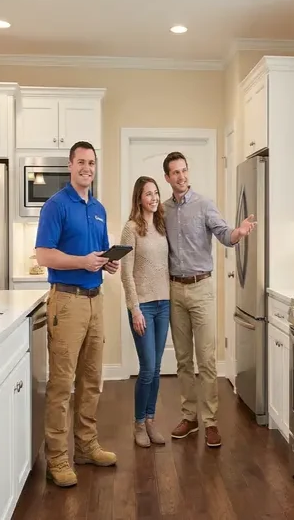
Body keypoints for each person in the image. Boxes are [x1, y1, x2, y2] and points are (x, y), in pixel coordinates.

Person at [34, 140, 119, 488]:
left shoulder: (98, 208)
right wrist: (82, 262)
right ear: (70, 165)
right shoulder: (55, 205)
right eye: (81, 162)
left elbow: (97, 252)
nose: (87, 168)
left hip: (96, 299)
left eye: (91, 163)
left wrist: (106, 262)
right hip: (67, 302)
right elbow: (43, 255)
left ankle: (85, 446)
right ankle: (56, 458)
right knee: (61, 383)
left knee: (91, 379)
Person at [162, 151, 256, 448]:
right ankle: (189, 417)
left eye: (184, 170)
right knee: (183, 359)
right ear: (167, 178)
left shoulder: (204, 205)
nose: (181, 176)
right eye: (175, 172)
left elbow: (224, 235)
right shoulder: (163, 210)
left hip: (201, 288)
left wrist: (239, 232)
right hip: (174, 290)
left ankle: (211, 421)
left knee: (206, 358)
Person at [119, 176, 170, 448]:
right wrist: (135, 309)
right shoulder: (131, 229)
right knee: (148, 368)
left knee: (158, 368)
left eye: (156, 192)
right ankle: (138, 423)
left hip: (164, 304)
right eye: (148, 193)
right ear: (139, 198)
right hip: (144, 307)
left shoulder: (162, 226)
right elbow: (126, 273)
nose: (153, 197)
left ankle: (151, 420)